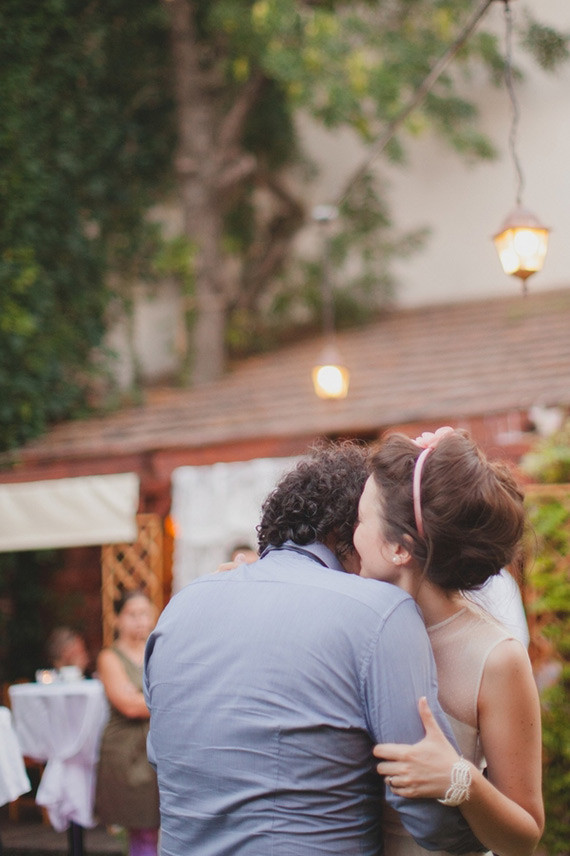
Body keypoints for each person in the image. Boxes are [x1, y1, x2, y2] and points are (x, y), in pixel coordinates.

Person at [144, 442, 483, 856]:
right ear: (348, 532)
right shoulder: (380, 612)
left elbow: (163, 760)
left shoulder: (178, 609)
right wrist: (481, 824)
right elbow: (432, 821)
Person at [352, 428, 544, 856]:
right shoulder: (352, 622)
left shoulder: (496, 658)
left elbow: (525, 837)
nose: (352, 532)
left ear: (400, 549)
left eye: (362, 519)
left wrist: (460, 779)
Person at [95, 591, 160, 856]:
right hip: (128, 752)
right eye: (132, 614)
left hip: (158, 746)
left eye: (145, 613)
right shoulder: (109, 657)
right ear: (117, 619)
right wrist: (174, 702)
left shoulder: (157, 651)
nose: (140, 621)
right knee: (141, 828)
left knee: (159, 827)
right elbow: (130, 705)